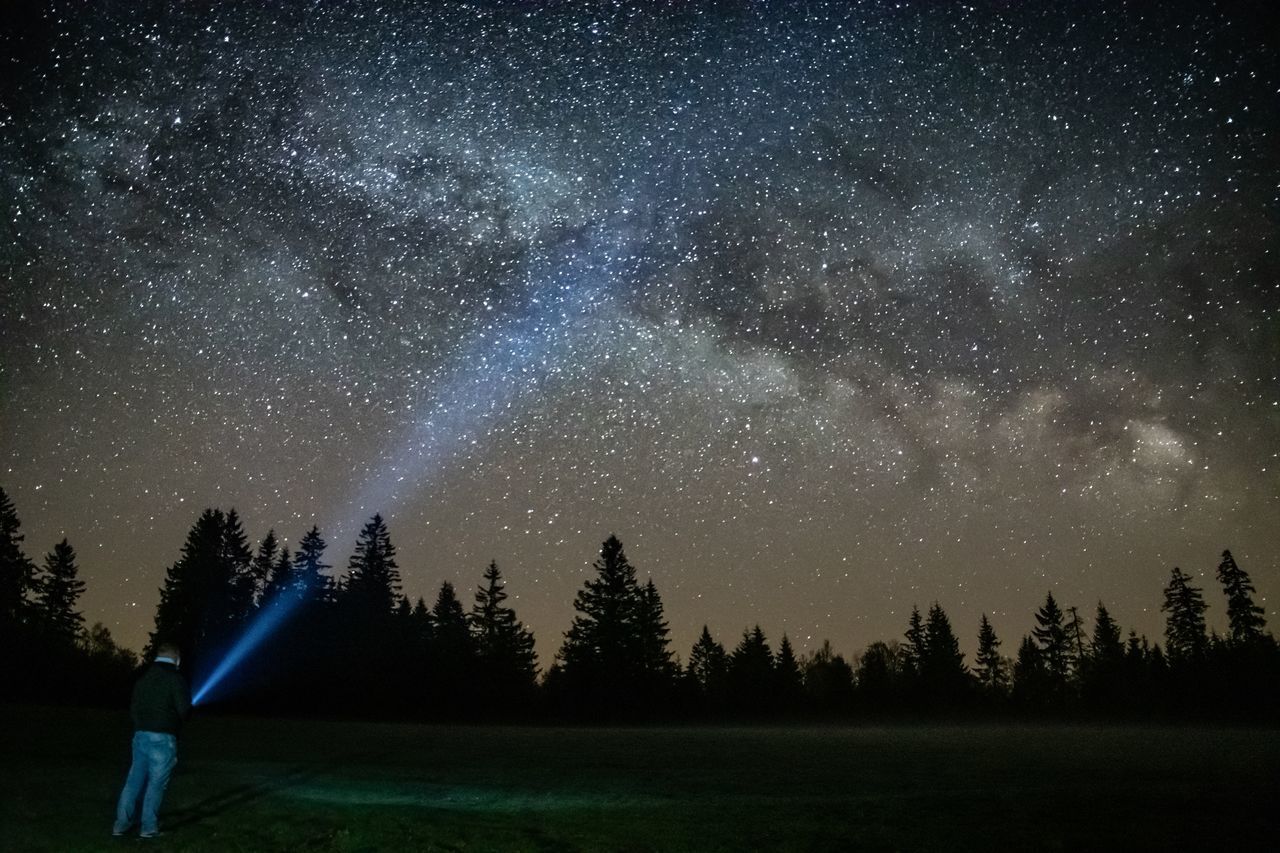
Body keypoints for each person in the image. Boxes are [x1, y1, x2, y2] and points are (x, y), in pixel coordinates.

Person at [112, 642, 191, 839]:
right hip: (163, 738)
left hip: (140, 736)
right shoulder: (175, 679)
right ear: (177, 659)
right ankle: (149, 828)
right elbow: (184, 710)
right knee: (156, 784)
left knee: (133, 782)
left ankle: (121, 825)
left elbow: (134, 708)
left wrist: (141, 725)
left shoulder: (143, 679)